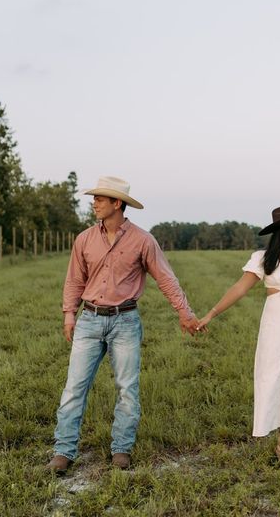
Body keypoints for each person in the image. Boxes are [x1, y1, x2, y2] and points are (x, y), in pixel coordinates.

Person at [47, 176, 199, 473]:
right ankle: (63, 452)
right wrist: (69, 313)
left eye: (100, 199)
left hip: (125, 321)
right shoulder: (84, 239)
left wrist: (185, 312)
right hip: (89, 320)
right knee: (74, 388)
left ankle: (121, 450)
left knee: (127, 389)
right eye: (95, 199)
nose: (94, 204)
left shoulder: (143, 241)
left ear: (117, 203)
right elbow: (74, 280)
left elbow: (166, 279)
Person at [197, 204, 280, 465]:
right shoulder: (263, 258)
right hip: (276, 330)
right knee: (279, 379)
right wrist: (210, 314)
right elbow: (239, 289)